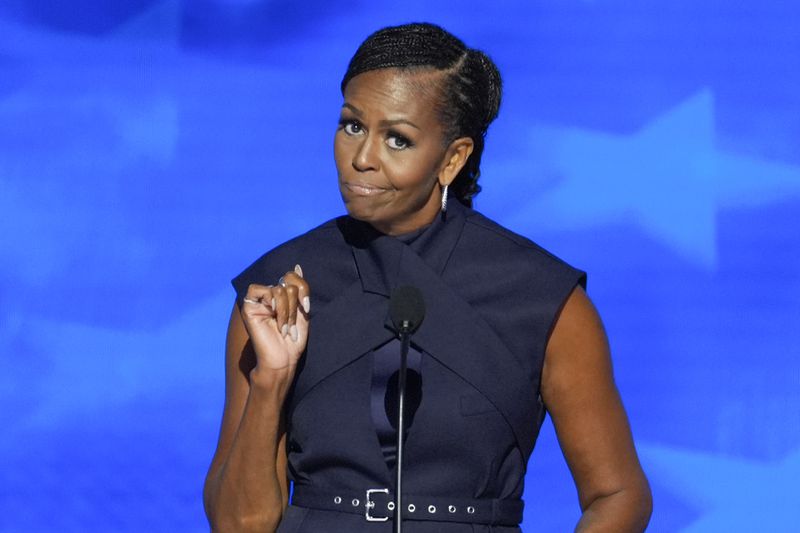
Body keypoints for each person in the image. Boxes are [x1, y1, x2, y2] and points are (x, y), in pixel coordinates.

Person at [203, 23, 652, 532]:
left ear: (453, 158)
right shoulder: (277, 292)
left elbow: (618, 494)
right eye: (352, 126)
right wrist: (272, 380)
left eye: (397, 139)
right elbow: (238, 525)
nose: (363, 158)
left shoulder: (543, 299)